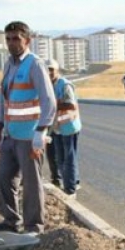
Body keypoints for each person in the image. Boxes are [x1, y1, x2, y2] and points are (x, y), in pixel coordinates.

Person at [0, 21, 56, 234]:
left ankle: (33, 227)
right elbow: (4, 101)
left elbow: (49, 100)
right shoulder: (9, 65)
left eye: (16, 38)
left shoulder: (34, 65)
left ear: (27, 40)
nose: (11, 43)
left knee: (32, 185)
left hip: (29, 137)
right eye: (8, 39)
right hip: (10, 135)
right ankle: (11, 221)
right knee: (4, 179)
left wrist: (41, 131)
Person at [46, 59, 81, 196]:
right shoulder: (50, 85)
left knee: (68, 157)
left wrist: (53, 105)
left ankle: (70, 189)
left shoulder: (65, 85)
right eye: (46, 69)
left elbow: (71, 105)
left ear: (57, 70)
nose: (49, 72)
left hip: (69, 126)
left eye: (51, 69)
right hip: (57, 127)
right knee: (61, 158)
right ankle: (72, 182)